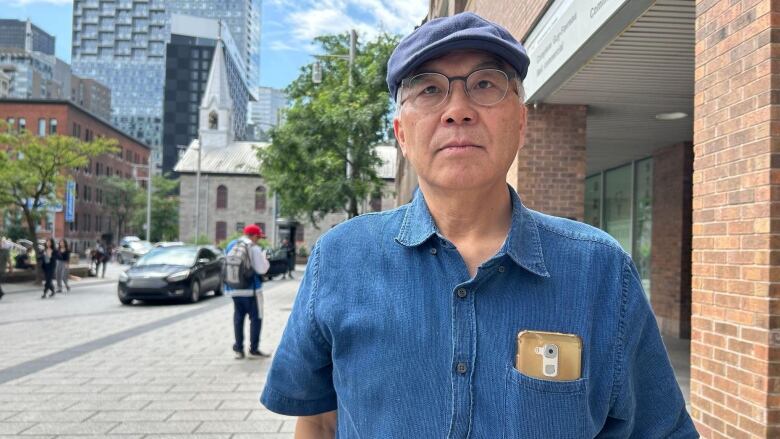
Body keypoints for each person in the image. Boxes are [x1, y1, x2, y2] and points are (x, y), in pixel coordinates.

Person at [260, 12, 697, 438]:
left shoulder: (601, 272)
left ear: (521, 122)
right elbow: (318, 421)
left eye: (485, 84)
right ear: (401, 134)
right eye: (429, 89)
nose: (458, 110)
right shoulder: (339, 259)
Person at [225, 224, 270, 359]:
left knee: (238, 318)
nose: (259, 240)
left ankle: (239, 349)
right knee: (256, 319)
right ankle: (254, 349)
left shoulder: (231, 245)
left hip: (234, 289)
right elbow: (262, 270)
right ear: (254, 236)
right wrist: (264, 258)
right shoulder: (254, 248)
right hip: (252, 291)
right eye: (259, 237)